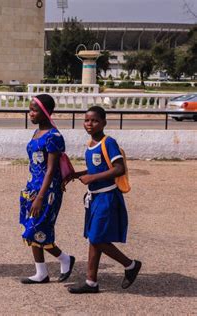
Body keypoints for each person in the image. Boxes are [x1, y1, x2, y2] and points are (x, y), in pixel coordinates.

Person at [67, 106, 141, 294]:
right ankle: (91, 282)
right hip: (95, 198)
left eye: (94, 121)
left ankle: (130, 265)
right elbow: (97, 169)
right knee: (94, 238)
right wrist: (77, 174)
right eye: (86, 120)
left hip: (107, 196)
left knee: (97, 238)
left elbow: (118, 169)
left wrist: (91, 178)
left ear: (104, 123)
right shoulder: (90, 144)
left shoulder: (109, 143)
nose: (89, 124)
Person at [19, 94, 75, 284]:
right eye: (29, 109)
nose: (30, 114)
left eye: (34, 110)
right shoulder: (36, 133)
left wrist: (41, 196)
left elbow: (51, 169)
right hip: (32, 188)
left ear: (45, 112)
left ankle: (64, 258)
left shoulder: (54, 136)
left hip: (47, 191)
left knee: (35, 230)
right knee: (31, 228)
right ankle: (41, 272)